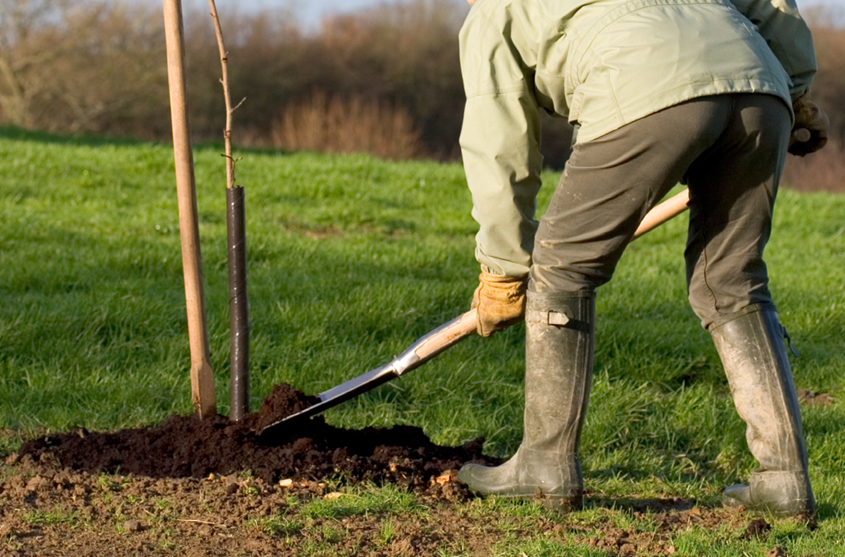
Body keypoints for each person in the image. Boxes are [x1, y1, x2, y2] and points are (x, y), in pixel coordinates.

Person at [457, 0, 829, 520]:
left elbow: (500, 147)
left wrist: (503, 267)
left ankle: (545, 467)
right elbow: (770, 7)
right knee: (731, 279)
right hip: (758, 84)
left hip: (642, 85)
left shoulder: (492, 13)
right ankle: (784, 481)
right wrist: (795, 90)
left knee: (561, 265)